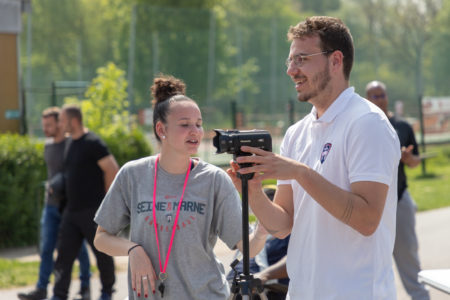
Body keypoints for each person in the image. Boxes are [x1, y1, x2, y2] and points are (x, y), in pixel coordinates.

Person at [227, 16, 401, 299]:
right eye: (290, 61)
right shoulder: (297, 133)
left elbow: (367, 220)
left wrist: (300, 172)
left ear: (335, 61)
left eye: (302, 59)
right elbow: (282, 226)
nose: (291, 70)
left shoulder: (367, 123)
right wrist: (254, 190)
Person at [93, 74, 268, 300]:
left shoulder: (214, 179)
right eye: (185, 124)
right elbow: (101, 238)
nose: (195, 131)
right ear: (161, 129)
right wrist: (132, 249)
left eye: (198, 124)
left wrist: (262, 233)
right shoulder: (132, 174)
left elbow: (247, 249)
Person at [18, 107, 91, 300]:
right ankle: (41, 289)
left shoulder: (71, 144)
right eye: (44, 125)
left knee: (79, 249)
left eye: (49, 124)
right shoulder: (47, 146)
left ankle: (85, 287)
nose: (46, 129)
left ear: (61, 122)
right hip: (50, 205)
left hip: (70, 206)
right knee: (46, 248)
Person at [366, 80, 430, 300]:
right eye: (374, 96)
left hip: (399, 199)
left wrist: (409, 158)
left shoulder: (402, 126)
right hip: (367, 203)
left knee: (408, 258)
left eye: (382, 94)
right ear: (367, 99)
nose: (379, 99)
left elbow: (415, 161)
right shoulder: (364, 126)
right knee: (368, 266)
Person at [48, 104, 119, 300]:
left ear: (74, 121)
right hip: (71, 211)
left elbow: (112, 169)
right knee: (63, 256)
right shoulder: (70, 143)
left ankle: (107, 292)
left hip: (93, 211)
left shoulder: (93, 143)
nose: (61, 125)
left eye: (62, 120)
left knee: (102, 255)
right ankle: (59, 295)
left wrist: (107, 201)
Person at [226, 185, 289, 300]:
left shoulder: (287, 233)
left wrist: (264, 276)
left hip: (264, 288)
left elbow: (294, 259)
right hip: (234, 284)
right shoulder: (250, 233)